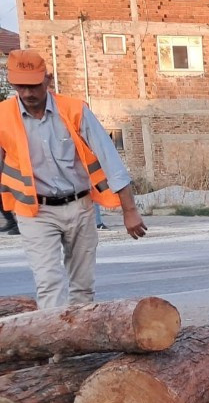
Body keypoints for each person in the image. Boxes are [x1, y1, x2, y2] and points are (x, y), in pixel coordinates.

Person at [0, 50, 147, 309]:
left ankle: (79, 342)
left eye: (33, 86)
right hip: (35, 211)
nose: (27, 94)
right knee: (48, 283)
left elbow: (109, 158)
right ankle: (56, 346)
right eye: (20, 86)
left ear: (48, 80)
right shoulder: (3, 116)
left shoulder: (74, 110)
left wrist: (130, 210)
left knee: (83, 285)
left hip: (80, 207)